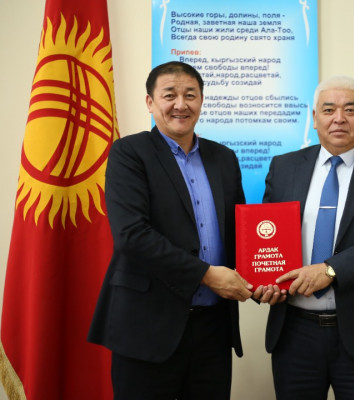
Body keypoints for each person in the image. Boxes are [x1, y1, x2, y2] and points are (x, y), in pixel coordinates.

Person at [88, 61, 253, 400]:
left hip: (213, 329)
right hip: (147, 327)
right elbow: (132, 235)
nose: (181, 104)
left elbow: (240, 233)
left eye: (190, 95)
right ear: (150, 102)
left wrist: (265, 276)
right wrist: (206, 274)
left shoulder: (224, 158)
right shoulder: (129, 153)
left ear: (201, 100)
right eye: (169, 95)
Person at [255, 75, 354, 399]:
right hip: (294, 333)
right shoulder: (284, 167)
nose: (339, 118)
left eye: (350, 109)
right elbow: (268, 238)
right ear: (314, 118)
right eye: (329, 110)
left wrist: (331, 270)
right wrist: (264, 282)